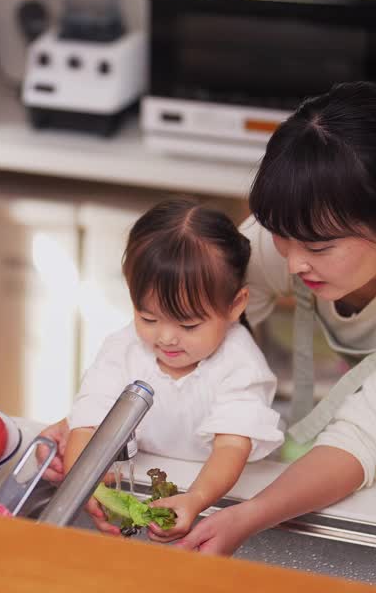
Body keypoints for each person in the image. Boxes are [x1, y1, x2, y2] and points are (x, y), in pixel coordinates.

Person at [42, 81, 376, 554]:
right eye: (281, 236)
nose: (290, 261)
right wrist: (90, 432)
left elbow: (367, 436)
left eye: (318, 249)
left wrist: (245, 517)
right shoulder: (304, 228)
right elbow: (188, 322)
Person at [63, 199, 282, 542]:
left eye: (189, 325)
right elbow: (88, 426)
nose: (165, 337)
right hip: (143, 481)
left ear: (235, 306)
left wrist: (196, 498)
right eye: (148, 318)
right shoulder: (122, 349)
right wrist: (86, 484)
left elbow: (231, 448)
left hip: (216, 494)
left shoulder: (240, 364)